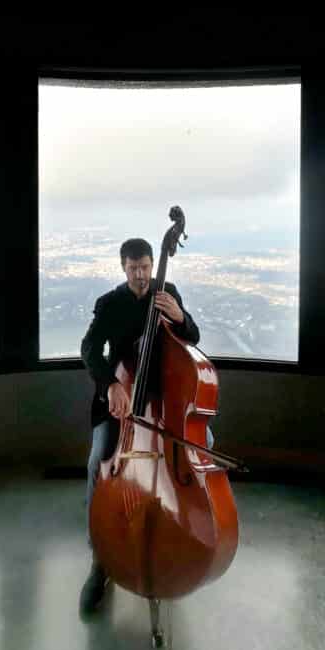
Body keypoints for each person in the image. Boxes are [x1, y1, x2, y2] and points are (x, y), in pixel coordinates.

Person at [78, 237, 214, 616]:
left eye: (145, 267)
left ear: (153, 265)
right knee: (97, 461)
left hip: (166, 404)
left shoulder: (167, 293)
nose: (140, 274)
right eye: (133, 268)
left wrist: (180, 317)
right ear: (123, 267)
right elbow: (89, 348)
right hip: (121, 405)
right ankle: (100, 558)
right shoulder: (110, 303)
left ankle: (193, 531)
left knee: (204, 444)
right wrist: (110, 384)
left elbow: (192, 338)